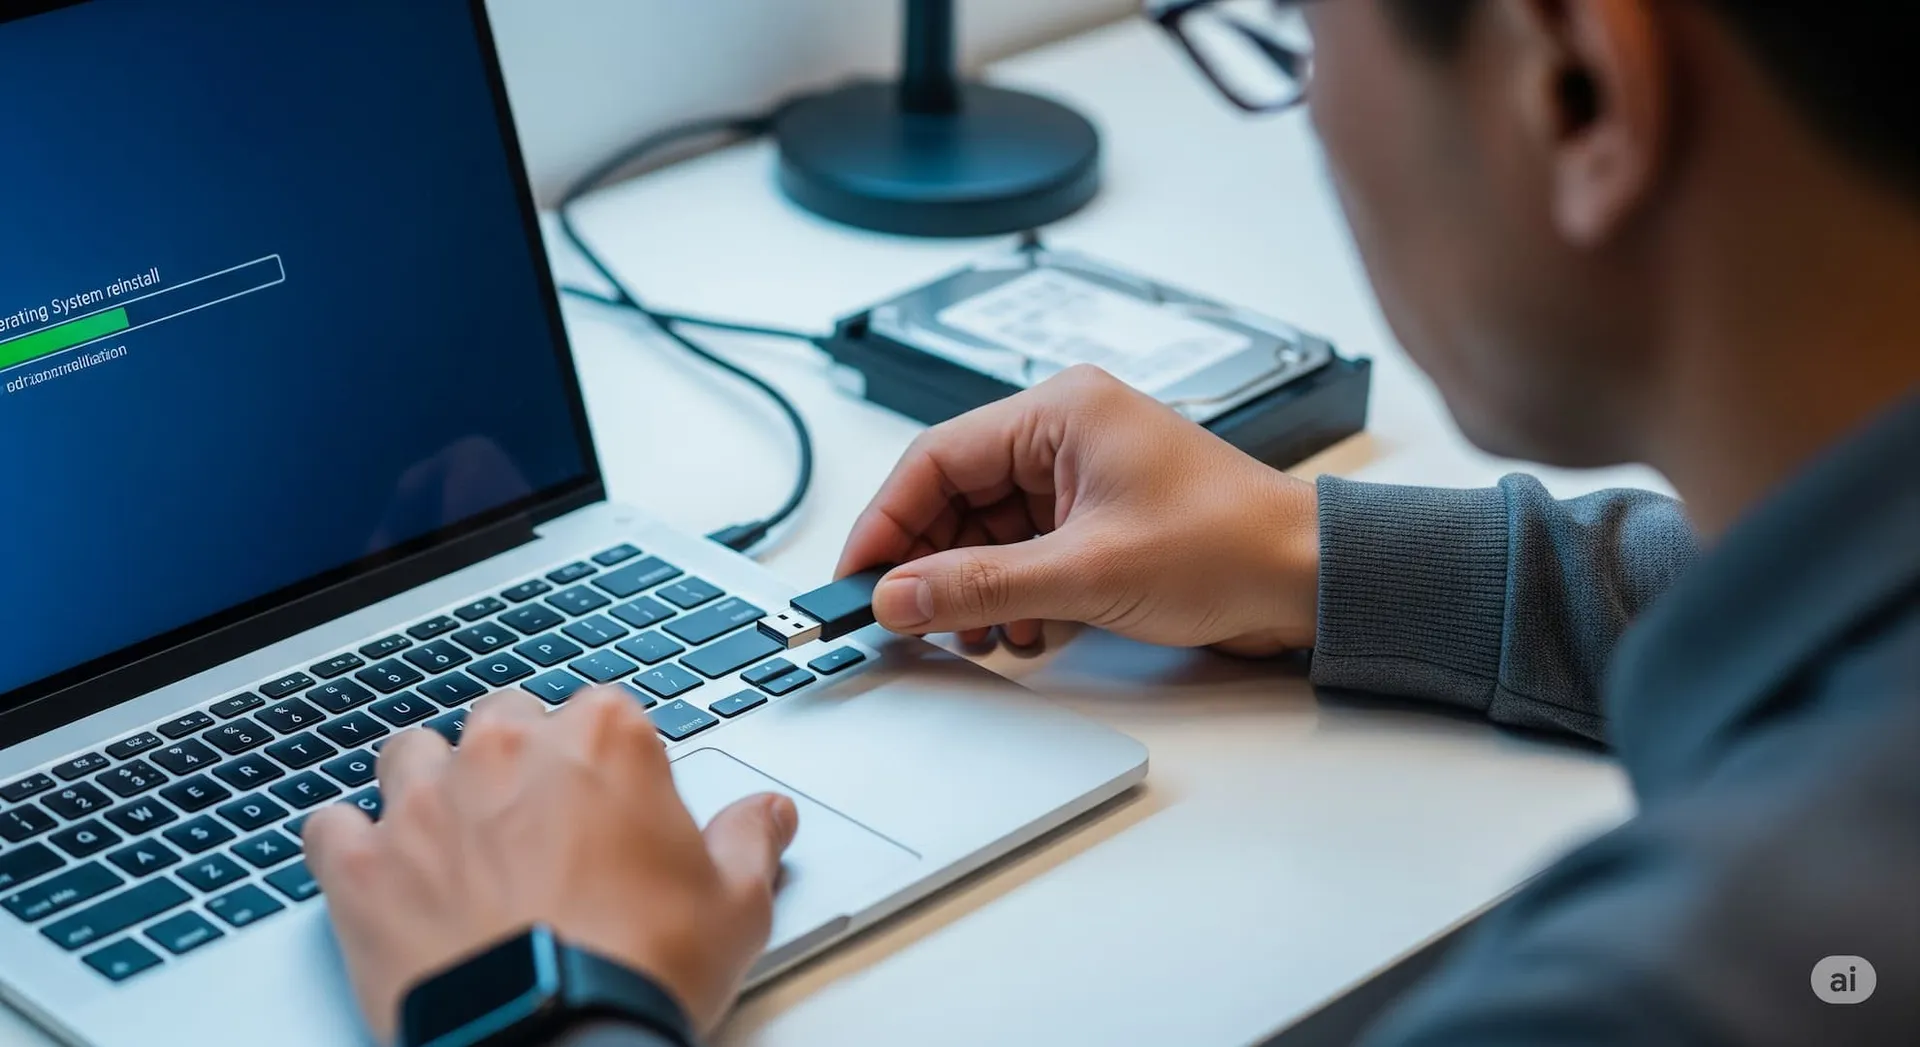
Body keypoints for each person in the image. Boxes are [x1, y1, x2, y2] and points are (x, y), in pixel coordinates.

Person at [305, 0, 1920, 1044]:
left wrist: (539, 999)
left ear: (1576, 90)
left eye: (1299, 31)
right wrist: (1314, 555)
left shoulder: (1665, 992)